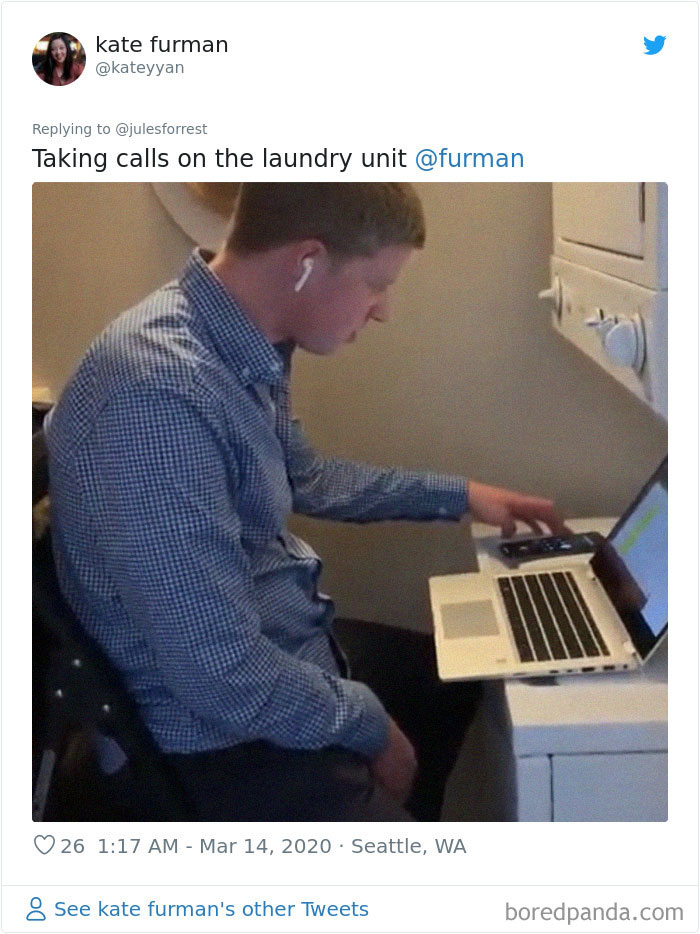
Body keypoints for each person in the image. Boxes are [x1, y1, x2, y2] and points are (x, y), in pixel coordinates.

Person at [44, 183, 566, 821]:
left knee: (452, 685)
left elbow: (304, 476)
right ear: (306, 262)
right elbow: (220, 676)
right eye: (377, 284)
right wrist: (370, 725)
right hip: (210, 744)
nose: (383, 310)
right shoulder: (160, 397)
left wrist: (460, 496)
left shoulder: (236, 341)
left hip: (270, 646)